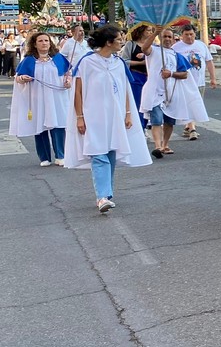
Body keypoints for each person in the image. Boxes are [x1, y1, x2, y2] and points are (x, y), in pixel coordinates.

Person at [64, 25, 152, 213]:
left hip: (115, 114)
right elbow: (77, 91)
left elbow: (126, 89)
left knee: (111, 152)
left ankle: (107, 192)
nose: (122, 41)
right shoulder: (87, 62)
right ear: (108, 42)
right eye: (119, 39)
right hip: (92, 115)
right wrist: (79, 117)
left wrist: (128, 113)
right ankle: (102, 196)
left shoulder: (118, 62)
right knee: (98, 153)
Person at [138, 27, 209, 158]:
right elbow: (144, 48)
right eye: (164, 36)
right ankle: (158, 147)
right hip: (154, 91)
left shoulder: (177, 55)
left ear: (173, 39)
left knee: (169, 121)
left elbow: (184, 74)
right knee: (156, 119)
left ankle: (165, 145)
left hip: (171, 92)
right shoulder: (153, 50)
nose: (167, 39)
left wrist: (170, 73)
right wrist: (155, 33)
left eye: (170, 37)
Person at [9, 31, 72, 165]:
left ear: (50, 43)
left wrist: (68, 81)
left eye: (46, 41)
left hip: (56, 97)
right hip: (37, 98)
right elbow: (18, 78)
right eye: (40, 41)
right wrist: (22, 78)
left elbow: (68, 73)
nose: (44, 43)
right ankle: (44, 157)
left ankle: (60, 155)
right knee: (39, 126)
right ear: (35, 44)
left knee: (58, 125)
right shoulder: (29, 60)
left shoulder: (58, 58)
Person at [172, 24, 216, 140]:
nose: (189, 37)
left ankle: (188, 126)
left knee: (196, 106)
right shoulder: (176, 48)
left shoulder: (201, 45)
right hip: (184, 82)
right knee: (188, 106)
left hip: (200, 82)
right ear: (181, 35)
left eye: (191, 34)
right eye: (186, 35)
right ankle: (192, 129)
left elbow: (209, 62)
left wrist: (213, 78)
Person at [119, 24, 150, 130]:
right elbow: (124, 61)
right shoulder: (131, 44)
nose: (150, 33)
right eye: (148, 30)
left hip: (149, 78)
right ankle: (139, 128)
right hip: (136, 76)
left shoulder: (152, 44)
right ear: (141, 31)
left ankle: (145, 125)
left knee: (148, 104)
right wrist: (140, 63)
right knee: (138, 103)